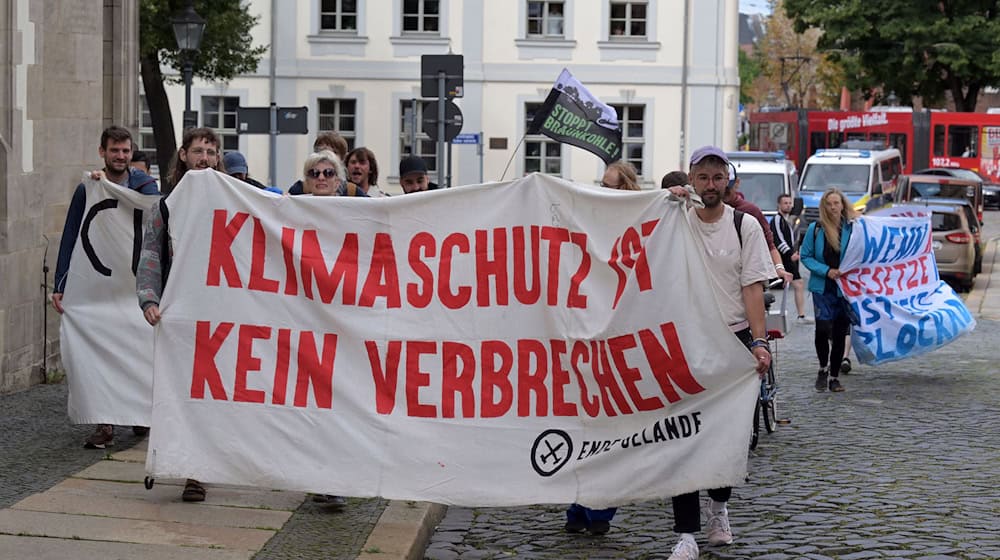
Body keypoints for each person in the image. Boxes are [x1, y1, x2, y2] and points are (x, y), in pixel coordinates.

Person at [664, 146, 772, 560]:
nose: (710, 185)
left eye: (717, 177)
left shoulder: (744, 225)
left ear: (728, 181)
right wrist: (663, 203)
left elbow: (752, 287)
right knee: (683, 439)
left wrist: (760, 342)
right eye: (702, 178)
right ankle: (686, 534)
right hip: (686, 342)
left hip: (734, 340)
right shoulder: (675, 221)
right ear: (691, 180)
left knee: (730, 437)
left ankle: (719, 509)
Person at [51, 125, 159, 449]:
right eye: (115, 150)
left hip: (133, 288)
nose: (121, 156)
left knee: (141, 351)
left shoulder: (143, 186)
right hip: (100, 290)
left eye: (126, 150)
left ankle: (141, 412)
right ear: (103, 152)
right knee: (98, 352)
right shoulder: (88, 189)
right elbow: (72, 233)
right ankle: (105, 422)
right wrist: (62, 282)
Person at [136, 127, 223, 502]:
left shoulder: (231, 203)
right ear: (183, 156)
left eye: (211, 151)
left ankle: (199, 470)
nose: (204, 157)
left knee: (211, 395)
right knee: (179, 393)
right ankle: (185, 465)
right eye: (198, 150)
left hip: (220, 315)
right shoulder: (165, 206)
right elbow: (151, 257)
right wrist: (149, 299)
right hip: (179, 314)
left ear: (218, 159)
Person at [563, 160, 641, 536]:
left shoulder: (639, 225)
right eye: (602, 184)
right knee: (584, 426)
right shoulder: (591, 219)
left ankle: (598, 510)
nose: (604, 190)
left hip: (619, 341)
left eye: (611, 185)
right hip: (584, 340)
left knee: (610, 431)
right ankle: (579, 506)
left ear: (626, 188)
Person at [799, 188, 855, 393]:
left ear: (842, 205)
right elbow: (805, 256)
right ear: (824, 206)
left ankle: (834, 377)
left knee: (840, 333)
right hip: (823, 287)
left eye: (836, 203)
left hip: (845, 288)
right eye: (829, 204)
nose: (833, 207)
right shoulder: (816, 229)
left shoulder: (852, 229)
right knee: (822, 329)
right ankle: (823, 367)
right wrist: (826, 271)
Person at [724, 170, 794, 285]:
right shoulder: (705, 209)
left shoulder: (751, 210)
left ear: (737, 183)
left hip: (747, 278)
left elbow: (770, 244)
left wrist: (779, 268)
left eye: (728, 188)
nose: (725, 192)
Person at [770, 193, 812, 324]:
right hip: (783, 258)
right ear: (779, 205)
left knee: (797, 284)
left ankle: (800, 315)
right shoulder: (777, 219)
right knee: (796, 283)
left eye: (790, 203)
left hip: (789, 257)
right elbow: (778, 239)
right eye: (785, 203)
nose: (788, 205)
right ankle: (800, 315)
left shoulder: (788, 220)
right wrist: (790, 254)